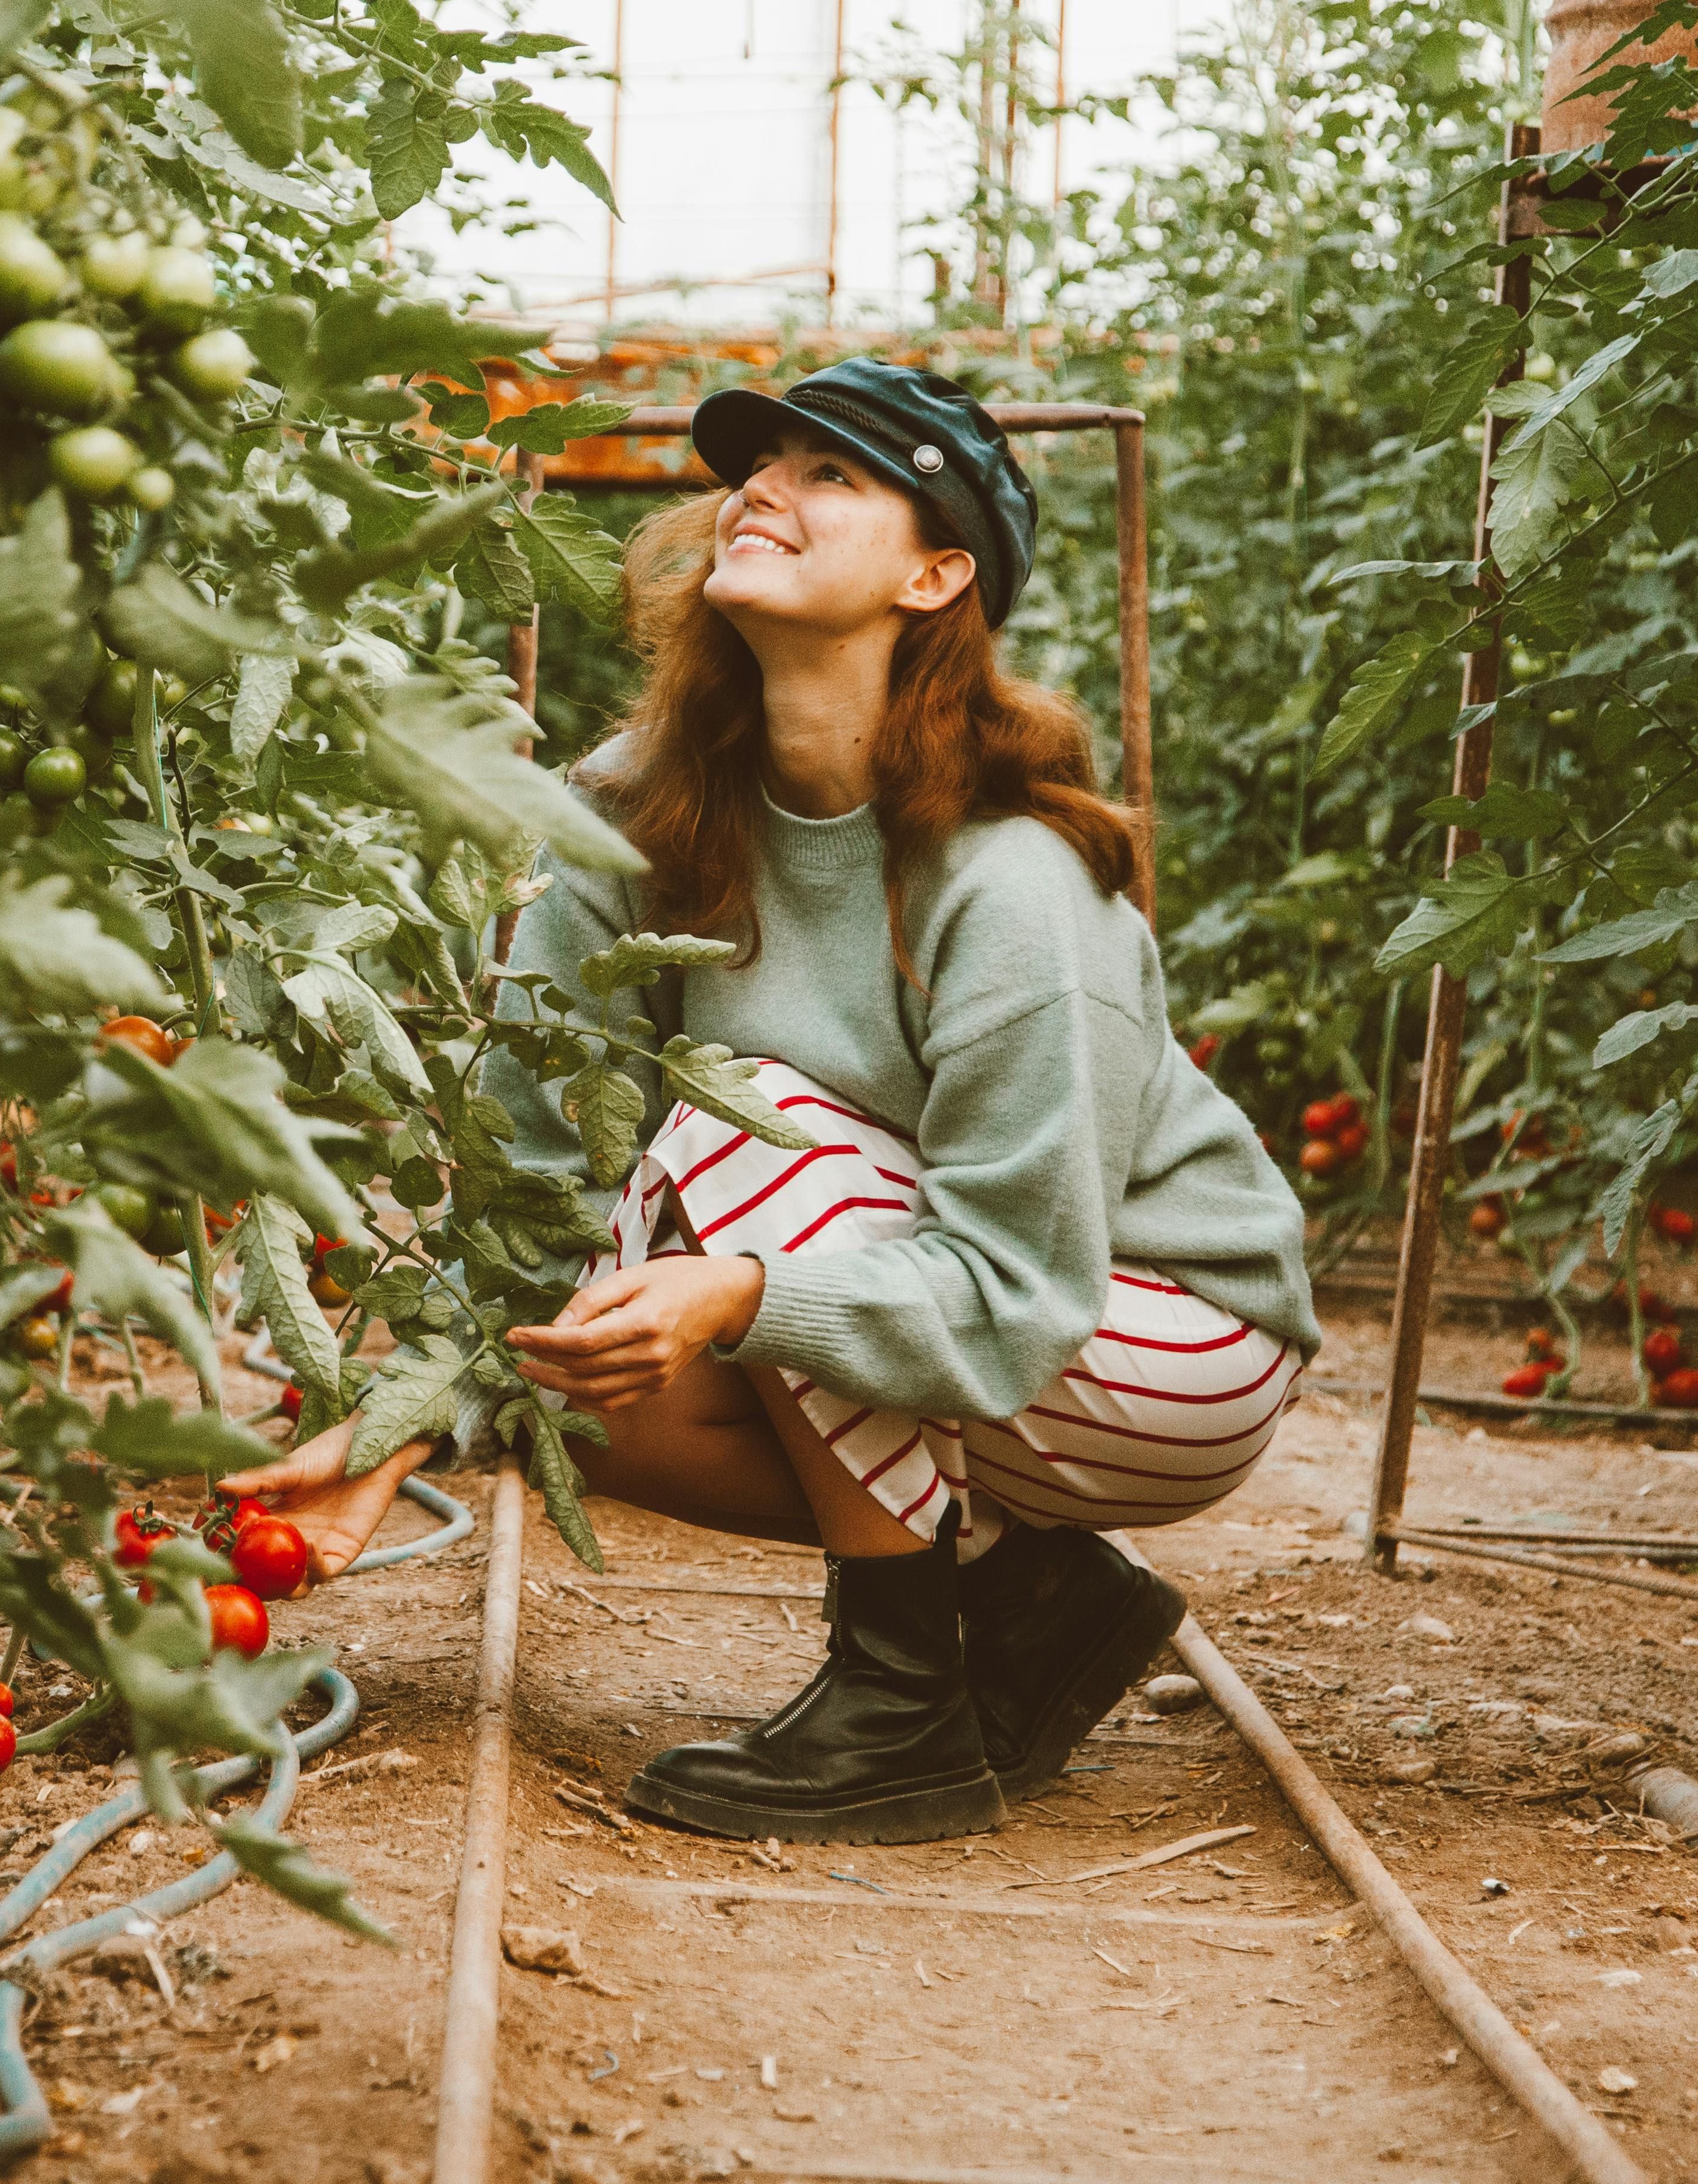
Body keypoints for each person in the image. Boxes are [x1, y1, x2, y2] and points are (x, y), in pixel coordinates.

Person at [221, 359, 1321, 1846]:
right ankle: (1027, 1600)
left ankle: (901, 1705)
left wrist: (737, 1289)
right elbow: (535, 1174)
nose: (763, 491)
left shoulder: (1010, 885)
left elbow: (1015, 1289)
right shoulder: (636, 812)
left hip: (1156, 1341)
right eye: (760, 467)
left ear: (937, 576)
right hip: (935, 1290)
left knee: (734, 1127)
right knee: (579, 1366)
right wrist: (402, 1427)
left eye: (832, 476)